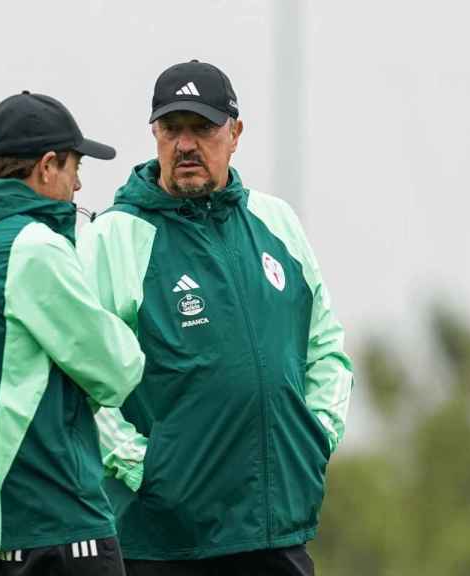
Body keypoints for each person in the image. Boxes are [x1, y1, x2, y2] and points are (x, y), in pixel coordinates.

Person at [77, 60, 355, 576]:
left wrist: (315, 436)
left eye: (202, 128)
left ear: (235, 133)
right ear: (155, 135)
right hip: (163, 544)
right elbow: (80, 381)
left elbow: (327, 349)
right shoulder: (113, 238)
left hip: (276, 533)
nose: (185, 144)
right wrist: (148, 469)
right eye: (171, 129)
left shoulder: (277, 223)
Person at [0, 91, 144, 576]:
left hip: (1, 537)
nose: (78, 185)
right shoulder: (33, 249)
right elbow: (119, 371)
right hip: (63, 530)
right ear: (47, 166)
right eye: (74, 167)